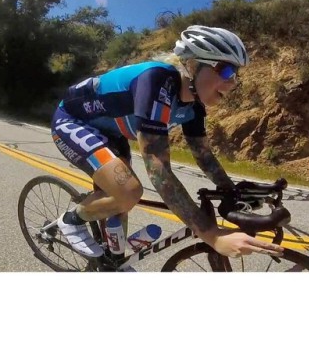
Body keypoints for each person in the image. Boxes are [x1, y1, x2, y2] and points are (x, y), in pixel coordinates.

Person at [52, 25, 284, 261]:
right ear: (192, 65)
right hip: (73, 120)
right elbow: (159, 171)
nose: (232, 82)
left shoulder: (195, 106)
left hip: (112, 134)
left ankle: (114, 263)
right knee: (128, 191)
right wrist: (212, 235)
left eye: (235, 75)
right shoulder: (155, 81)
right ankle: (71, 221)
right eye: (225, 71)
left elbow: (204, 157)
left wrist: (231, 191)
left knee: (119, 202)